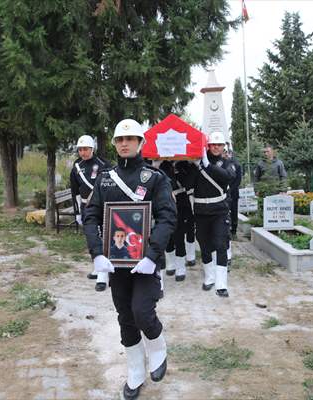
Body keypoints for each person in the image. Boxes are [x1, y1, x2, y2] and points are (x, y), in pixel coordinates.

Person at [83, 118, 176, 400]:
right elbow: (90, 217)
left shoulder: (156, 179)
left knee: (142, 312)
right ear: (114, 144)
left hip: (146, 262)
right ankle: (135, 371)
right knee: (125, 317)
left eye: (130, 139)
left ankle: (158, 346)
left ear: (140, 143)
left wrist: (152, 255)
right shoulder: (105, 179)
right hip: (116, 263)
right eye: (120, 140)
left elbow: (167, 217)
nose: (124, 144)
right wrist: (97, 252)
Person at [187, 131, 236, 297]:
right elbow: (188, 183)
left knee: (221, 244)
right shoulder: (197, 163)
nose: (216, 147)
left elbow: (228, 177)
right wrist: (193, 165)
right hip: (201, 211)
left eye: (219, 145)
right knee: (204, 244)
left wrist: (208, 165)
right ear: (207, 146)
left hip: (219, 211)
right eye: (213, 144)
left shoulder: (227, 163)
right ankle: (209, 277)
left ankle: (221, 284)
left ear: (223, 147)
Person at [69, 134, 111, 291]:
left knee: (102, 238)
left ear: (92, 148)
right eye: (80, 149)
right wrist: (78, 212)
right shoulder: (77, 166)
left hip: (101, 206)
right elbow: (75, 191)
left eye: (85, 149)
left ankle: (102, 277)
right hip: (86, 207)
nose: (83, 152)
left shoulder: (104, 164)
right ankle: (97, 266)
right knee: (91, 238)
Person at [224, 145, 242, 246]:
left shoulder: (236, 164)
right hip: (222, 193)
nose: (226, 154)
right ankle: (226, 230)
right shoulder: (220, 163)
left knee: (234, 212)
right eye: (225, 152)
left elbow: (238, 180)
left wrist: (230, 189)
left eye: (228, 152)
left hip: (233, 193)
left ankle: (234, 231)